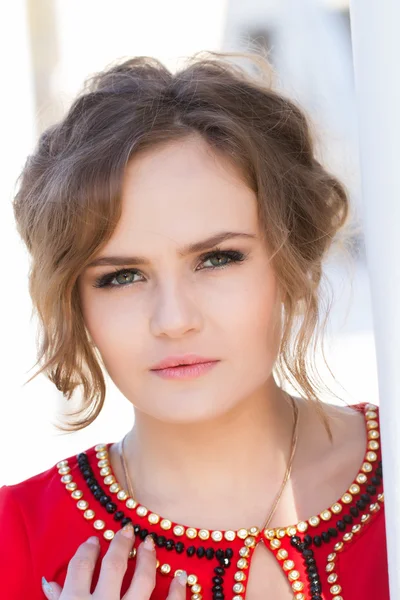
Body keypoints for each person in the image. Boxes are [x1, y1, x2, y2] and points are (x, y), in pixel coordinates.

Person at [0, 50, 388, 600]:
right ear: (75, 300)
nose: (174, 320)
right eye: (122, 276)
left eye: (217, 259)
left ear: (290, 257)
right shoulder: (16, 540)